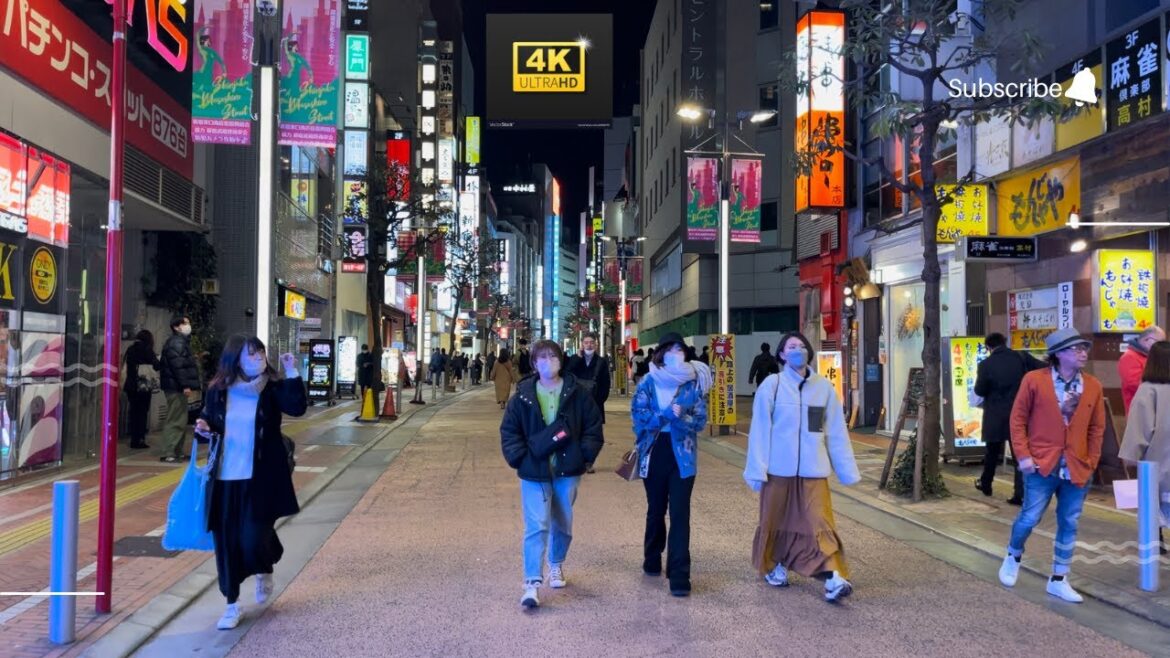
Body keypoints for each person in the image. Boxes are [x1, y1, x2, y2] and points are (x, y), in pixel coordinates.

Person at [194, 334, 307, 630]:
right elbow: (208, 422)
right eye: (251, 354)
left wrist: (292, 371)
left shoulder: (271, 388)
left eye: (260, 353)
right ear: (235, 358)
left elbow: (297, 407)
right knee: (227, 544)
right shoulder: (218, 390)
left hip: (261, 478)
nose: (258, 358)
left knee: (253, 538)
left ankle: (265, 565)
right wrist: (203, 429)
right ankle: (231, 604)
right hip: (225, 480)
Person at [744, 332, 860, 603]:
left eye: (801, 346)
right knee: (777, 520)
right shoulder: (772, 386)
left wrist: (846, 470)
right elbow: (760, 429)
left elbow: (835, 431)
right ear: (782, 355)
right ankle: (777, 566)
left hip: (813, 470)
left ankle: (834, 577)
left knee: (819, 521)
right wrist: (756, 469)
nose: (798, 350)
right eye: (791, 347)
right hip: (778, 470)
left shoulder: (823, 388)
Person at [998, 328, 1104, 603]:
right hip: (1041, 464)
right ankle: (1013, 553)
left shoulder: (1092, 384)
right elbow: (1017, 420)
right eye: (1075, 349)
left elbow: (1097, 428)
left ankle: (1059, 578)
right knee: (1030, 517)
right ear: (1057, 354)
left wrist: (1092, 460)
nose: (1082, 353)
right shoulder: (1034, 380)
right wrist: (1023, 456)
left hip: (1078, 466)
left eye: (1084, 348)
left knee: (1069, 521)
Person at [500, 340, 604, 609]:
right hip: (534, 472)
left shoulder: (578, 394)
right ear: (534, 364)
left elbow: (593, 428)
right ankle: (531, 583)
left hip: (567, 470)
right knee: (537, 526)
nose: (548, 361)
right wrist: (521, 459)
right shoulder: (522, 395)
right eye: (542, 357)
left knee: (562, 524)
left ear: (561, 359)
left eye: (553, 356)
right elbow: (510, 432)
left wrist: (585, 457)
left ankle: (556, 563)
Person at [630, 333, 709, 597]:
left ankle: (679, 574)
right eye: (671, 349)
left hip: (683, 457)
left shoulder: (692, 385)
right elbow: (638, 418)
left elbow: (700, 420)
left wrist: (681, 419)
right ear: (661, 352)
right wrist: (664, 415)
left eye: (680, 349)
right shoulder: (648, 382)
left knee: (680, 513)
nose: (676, 353)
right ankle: (652, 555)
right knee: (656, 509)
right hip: (653, 453)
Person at [973, 332, 1045, 505]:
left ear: (989, 347)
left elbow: (980, 390)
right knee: (1019, 454)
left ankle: (986, 484)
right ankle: (1019, 493)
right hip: (1019, 414)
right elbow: (1042, 368)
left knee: (992, 452)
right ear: (1004, 342)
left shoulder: (985, 365)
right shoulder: (1021, 357)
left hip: (995, 415)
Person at [1120, 340, 1170, 556]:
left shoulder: (1148, 391)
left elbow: (1139, 430)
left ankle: (1154, 544)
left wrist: (1130, 459)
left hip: (1157, 465)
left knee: (1152, 505)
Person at [159, 316, 201, 464]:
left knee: (180, 419)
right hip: (176, 388)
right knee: (175, 419)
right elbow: (179, 366)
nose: (188, 325)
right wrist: (185, 385)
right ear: (176, 327)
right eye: (184, 323)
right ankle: (168, 452)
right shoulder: (177, 343)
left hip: (176, 386)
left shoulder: (180, 342)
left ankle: (177, 451)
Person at [123, 330, 160, 450]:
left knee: (133, 412)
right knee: (142, 413)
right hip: (143, 386)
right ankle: (140, 438)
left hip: (130, 385)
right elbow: (156, 365)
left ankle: (133, 439)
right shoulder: (147, 349)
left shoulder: (130, 349)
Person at [1120, 326, 1166, 413]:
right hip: (1139, 412)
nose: (1161, 347)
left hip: (1154, 410)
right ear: (1147, 340)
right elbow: (1136, 385)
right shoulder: (1129, 357)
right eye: (1159, 343)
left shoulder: (1151, 357)